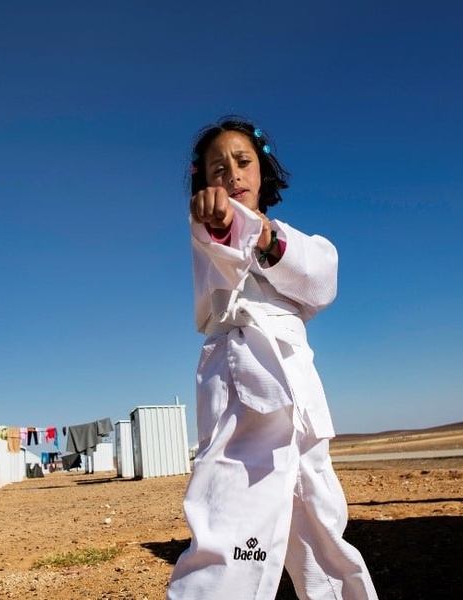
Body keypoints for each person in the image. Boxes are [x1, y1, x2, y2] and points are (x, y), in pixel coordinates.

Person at [167, 117, 379, 599]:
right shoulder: (208, 226)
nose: (232, 175)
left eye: (243, 162)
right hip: (241, 393)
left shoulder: (295, 242)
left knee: (322, 531)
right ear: (203, 183)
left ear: (262, 171)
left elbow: (323, 282)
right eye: (217, 169)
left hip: (299, 397)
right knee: (232, 534)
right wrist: (219, 219)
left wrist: (268, 238)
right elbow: (220, 236)